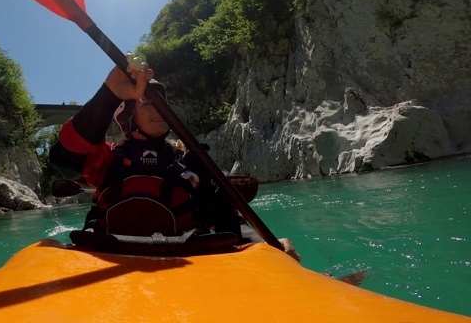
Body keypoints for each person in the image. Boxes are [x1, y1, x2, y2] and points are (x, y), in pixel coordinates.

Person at [50, 55, 300, 261]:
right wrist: (109, 94)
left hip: (185, 268)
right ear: (128, 117)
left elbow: (229, 224)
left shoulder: (193, 163)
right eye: (146, 103)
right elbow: (64, 161)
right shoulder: (109, 159)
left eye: (161, 103)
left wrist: (266, 247)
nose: (157, 109)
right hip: (109, 260)